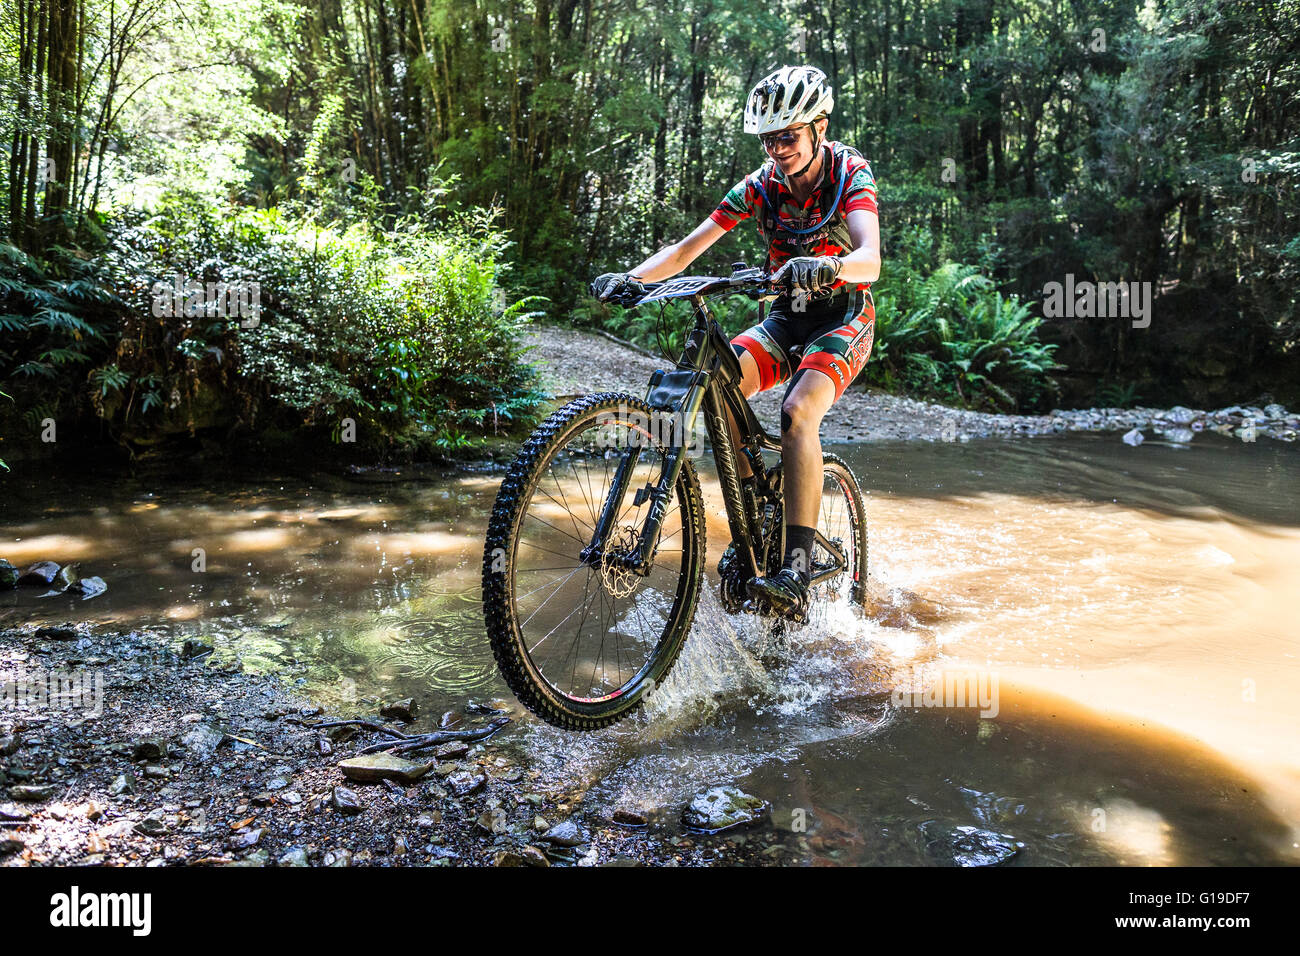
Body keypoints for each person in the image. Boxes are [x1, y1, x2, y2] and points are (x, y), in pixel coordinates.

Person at [590, 64, 881, 621]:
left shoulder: (850, 173)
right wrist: (632, 280)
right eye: (768, 139)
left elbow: (870, 258)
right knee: (716, 388)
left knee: (798, 413)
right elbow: (685, 249)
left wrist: (831, 268)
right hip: (782, 320)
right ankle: (755, 522)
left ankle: (794, 567)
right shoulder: (759, 186)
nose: (778, 149)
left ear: (819, 126)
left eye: (788, 136)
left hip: (842, 318)